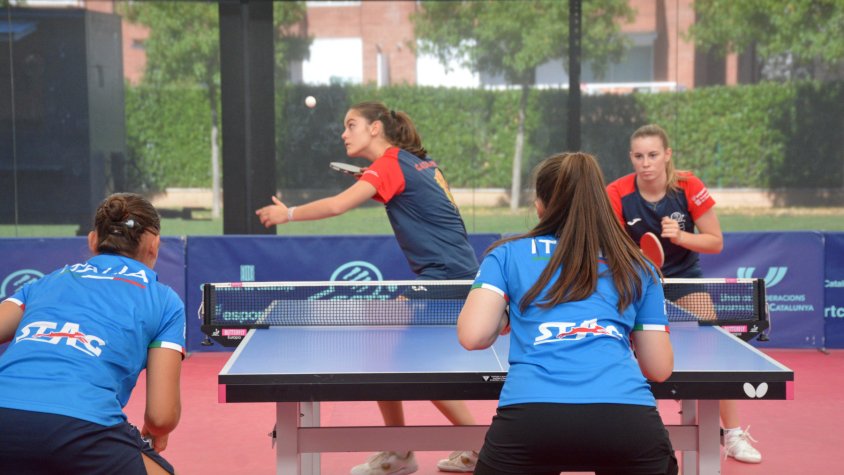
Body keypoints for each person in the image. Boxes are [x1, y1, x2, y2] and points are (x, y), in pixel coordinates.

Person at [256, 101, 480, 474]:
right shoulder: (411, 163)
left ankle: (417, 451)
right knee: (403, 362)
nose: (344, 133)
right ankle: (453, 447)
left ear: (376, 128)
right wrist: (372, 178)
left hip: (445, 279)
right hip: (459, 275)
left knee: (388, 352)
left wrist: (288, 213)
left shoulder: (390, 166)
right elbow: (413, 199)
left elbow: (338, 206)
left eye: (351, 125)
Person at [458, 151, 677, 474]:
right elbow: (658, 369)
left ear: (541, 206)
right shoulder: (637, 265)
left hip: (531, 419)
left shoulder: (506, 254)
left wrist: (505, 317)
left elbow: (474, 336)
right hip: (627, 421)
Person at [606, 123, 762, 464]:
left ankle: (733, 434)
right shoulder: (616, 193)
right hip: (636, 281)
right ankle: (630, 429)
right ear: (630, 158)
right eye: (638, 156)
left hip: (683, 279)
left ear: (667, 155)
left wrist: (681, 237)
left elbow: (715, 242)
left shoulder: (688, 186)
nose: (646, 163)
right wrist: (639, 263)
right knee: (625, 354)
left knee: (712, 351)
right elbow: (610, 245)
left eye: (653, 155)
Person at [0, 193, 185, 475]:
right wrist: (157, 430)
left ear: (92, 241)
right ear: (154, 245)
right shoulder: (164, 301)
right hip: (83, 429)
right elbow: (160, 417)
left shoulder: (44, 283)